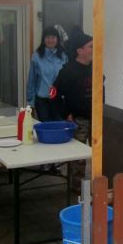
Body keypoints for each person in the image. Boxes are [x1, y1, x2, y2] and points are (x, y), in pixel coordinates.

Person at [53, 32, 94, 191]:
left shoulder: (96, 67)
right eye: (90, 46)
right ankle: (77, 190)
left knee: (99, 154)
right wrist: (66, 114)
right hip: (78, 120)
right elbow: (53, 93)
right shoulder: (68, 71)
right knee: (78, 158)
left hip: (96, 118)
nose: (94, 49)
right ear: (79, 50)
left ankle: (98, 188)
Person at [26, 27, 67, 121]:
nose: (50, 40)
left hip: (59, 99)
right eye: (47, 37)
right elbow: (32, 79)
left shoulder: (63, 55)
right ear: (43, 39)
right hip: (42, 99)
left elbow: (66, 78)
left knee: (59, 125)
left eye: (53, 37)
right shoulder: (37, 56)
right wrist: (30, 102)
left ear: (57, 39)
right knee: (46, 126)